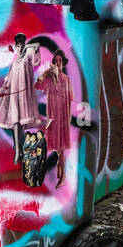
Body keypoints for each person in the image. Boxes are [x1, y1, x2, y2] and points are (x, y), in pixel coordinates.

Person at [0, 33, 42, 163]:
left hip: (24, 96)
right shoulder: (14, 62)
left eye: (21, 45)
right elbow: (8, 80)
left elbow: (36, 48)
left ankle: (18, 146)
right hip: (14, 95)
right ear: (15, 46)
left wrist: (28, 46)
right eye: (17, 45)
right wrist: (1, 95)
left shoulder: (27, 57)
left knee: (21, 123)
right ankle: (18, 150)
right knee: (15, 122)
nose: (19, 47)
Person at [36, 49, 73, 185]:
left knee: (61, 149)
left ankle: (62, 175)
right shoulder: (49, 79)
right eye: (55, 61)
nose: (58, 63)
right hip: (52, 117)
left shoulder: (66, 80)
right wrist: (46, 73)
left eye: (60, 61)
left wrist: (68, 119)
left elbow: (69, 99)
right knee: (48, 144)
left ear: (63, 63)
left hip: (62, 117)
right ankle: (44, 171)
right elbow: (38, 85)